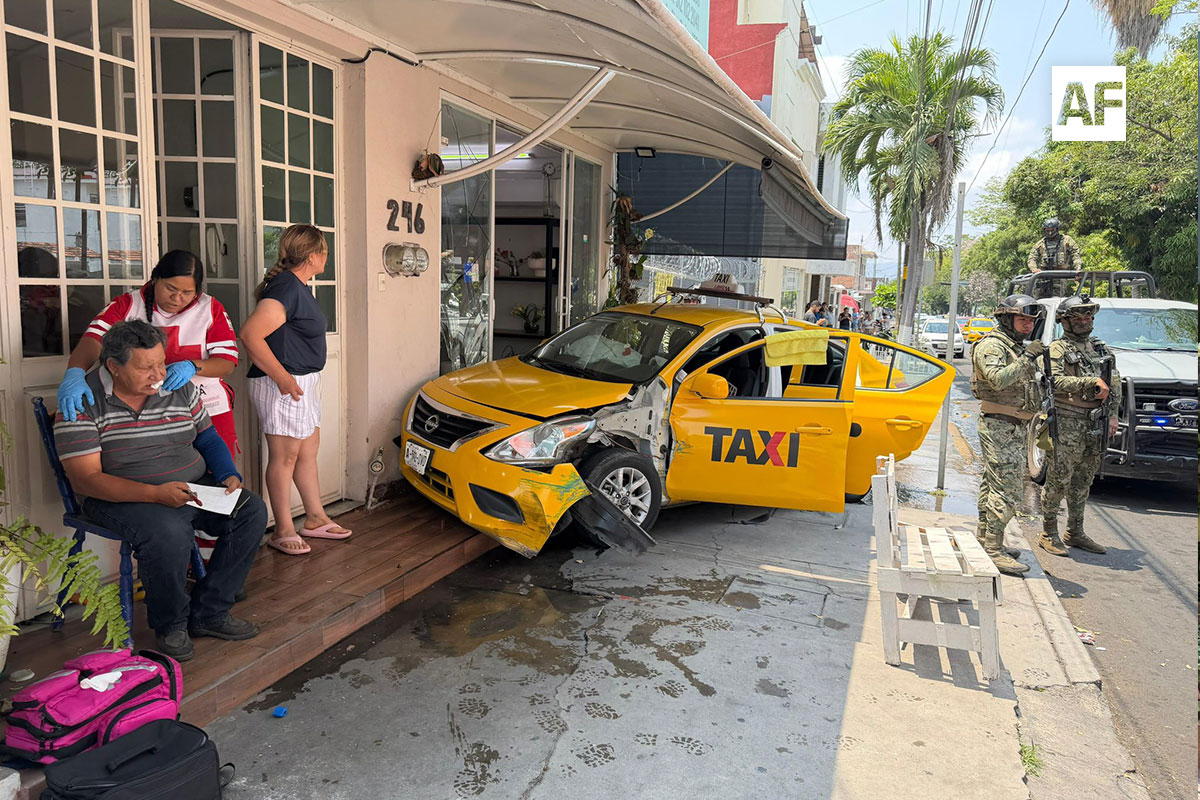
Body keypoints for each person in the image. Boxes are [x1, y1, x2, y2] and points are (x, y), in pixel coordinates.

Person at [53, 321, 266, 661]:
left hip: (189, 487)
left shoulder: (177, 387)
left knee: (250, 510)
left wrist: (227, 473)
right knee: (168, 532)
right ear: (114, 366)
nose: (158, 375)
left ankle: (210, 612)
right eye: (145, 367)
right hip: (120, 496)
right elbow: (86, 480)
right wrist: (154, 495)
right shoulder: (82, 401)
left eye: (161, 363)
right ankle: (171, 624)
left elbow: (208, 437)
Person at [56, 250, 241, 458]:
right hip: (149, 412)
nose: (177, 298)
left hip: (207, 404)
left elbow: (226, 362)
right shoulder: (128, 305)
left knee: (220, 466)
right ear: (155, 279)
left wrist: (192, 366)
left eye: (187, 293)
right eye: (170, 288)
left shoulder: (210, 308)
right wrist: (75, 372)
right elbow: (93, 340)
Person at [241, 224, 351, 556]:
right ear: (313, 256)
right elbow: (250, 335)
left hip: (302, 381)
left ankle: (315, 518)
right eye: (325, 251)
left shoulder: (296, 286)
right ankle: (283, 529)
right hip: (285, 383)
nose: (327, 257)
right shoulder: (286, 287)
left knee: (307, 451)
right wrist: (283, 379)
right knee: (285, 456)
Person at [1037, 296, 1120, 556]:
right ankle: (1048, 532)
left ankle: (1075, 531)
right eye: (1078, 318)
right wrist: (1089, 381)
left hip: (1095, 422)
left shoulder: (1100, 348)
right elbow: (1054, 382)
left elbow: (1114, 382)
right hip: (1067, 422)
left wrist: (1113, 415)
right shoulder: (1057, 349)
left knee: (1083, 480)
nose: (1085, 322)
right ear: (1065, 321)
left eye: (1088, 317)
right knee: (1059, 479)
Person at [970, 294, 1046, 576]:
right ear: (1006, 318)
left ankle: (987, 540)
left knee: (993, 485)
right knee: (1007, 489)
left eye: (1031, 321)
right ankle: (993, 550)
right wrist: (1028, 358)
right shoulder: (992, 345)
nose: (1028, 325)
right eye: (1022, 319)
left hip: (1014, 426)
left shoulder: (1013, 347)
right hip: (999, 425)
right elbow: (997, 379)